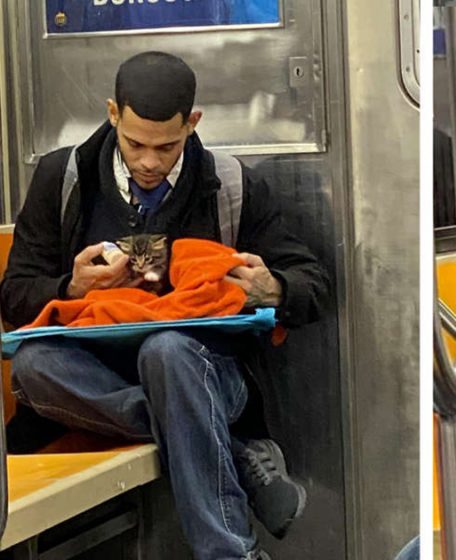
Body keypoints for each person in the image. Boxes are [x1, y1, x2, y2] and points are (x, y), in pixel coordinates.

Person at [0, 51, 330, 560]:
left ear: (192, 123)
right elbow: (15, 295)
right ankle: (236, 454)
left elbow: (313, 283)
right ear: (112, 114)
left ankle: (230, 553)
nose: (149, 162)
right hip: (92, 378)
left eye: (167, 146)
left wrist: (273, 288)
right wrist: (71, 289)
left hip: (204, 369)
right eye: (135, 144)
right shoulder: (62, 178)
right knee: (32, 365)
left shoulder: (233, 185)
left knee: (168, 350)